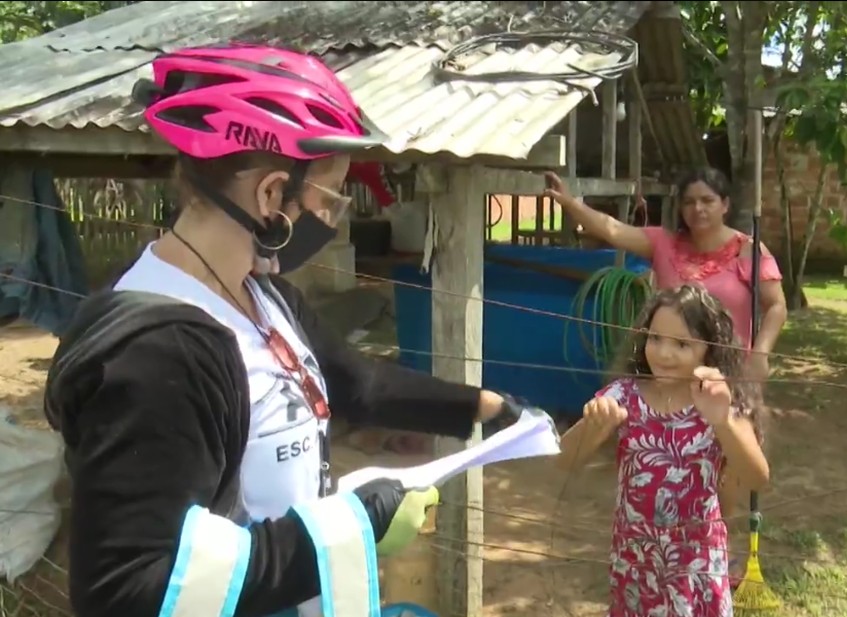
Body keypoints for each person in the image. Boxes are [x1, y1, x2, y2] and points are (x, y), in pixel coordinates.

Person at [43, 44, 529, 617]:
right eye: (329, 198)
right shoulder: (157, 356)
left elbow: (355, 384)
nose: (332, 218)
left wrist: (485, 407)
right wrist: (352, 526)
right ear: (272, 194)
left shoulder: (260, 294)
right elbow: (129, 592)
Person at [544, 167, 786, 578]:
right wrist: (570, 204)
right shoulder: (664, 243)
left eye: (707, 200)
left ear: (725, 204)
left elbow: (776, 305)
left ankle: (708, 556)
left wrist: (760, 352)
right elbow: (613, 229)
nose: (698, 209)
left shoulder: (751, 251)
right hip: (661, 390)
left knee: (720, 480)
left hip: (724, 380)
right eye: (689, 201)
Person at [556, 284, 770, 617]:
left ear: (708, 350)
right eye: (655, 339)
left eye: (682, 344)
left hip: (697, 563)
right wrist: (592, 428)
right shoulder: (623, 396)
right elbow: (563, 460)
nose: (664, 354)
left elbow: (757, 478)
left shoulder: (718, 399)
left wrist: (722, 421)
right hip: (636, 561)